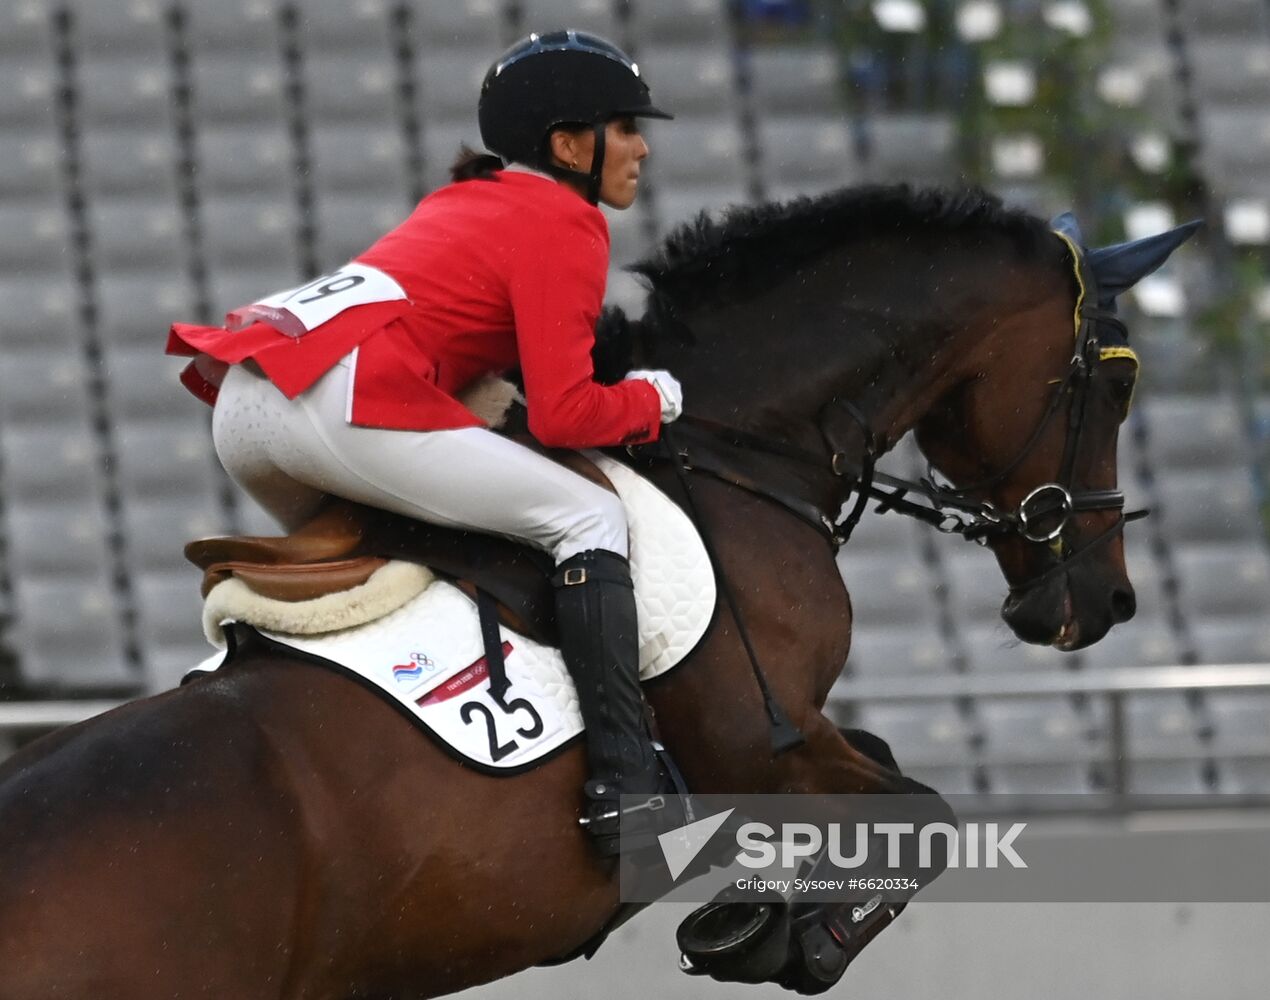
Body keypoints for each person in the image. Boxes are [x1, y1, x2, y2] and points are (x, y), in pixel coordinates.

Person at [166, 30, 683, 857]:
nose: (642, 144)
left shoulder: (465, 200)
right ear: (567, 144)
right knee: (589, 520)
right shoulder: (566, 219)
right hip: (337, 398)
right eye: (624, 126)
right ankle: (625, 781)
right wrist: (652, 399)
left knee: (409, 545)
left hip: (250, 396)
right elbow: (566, 414)